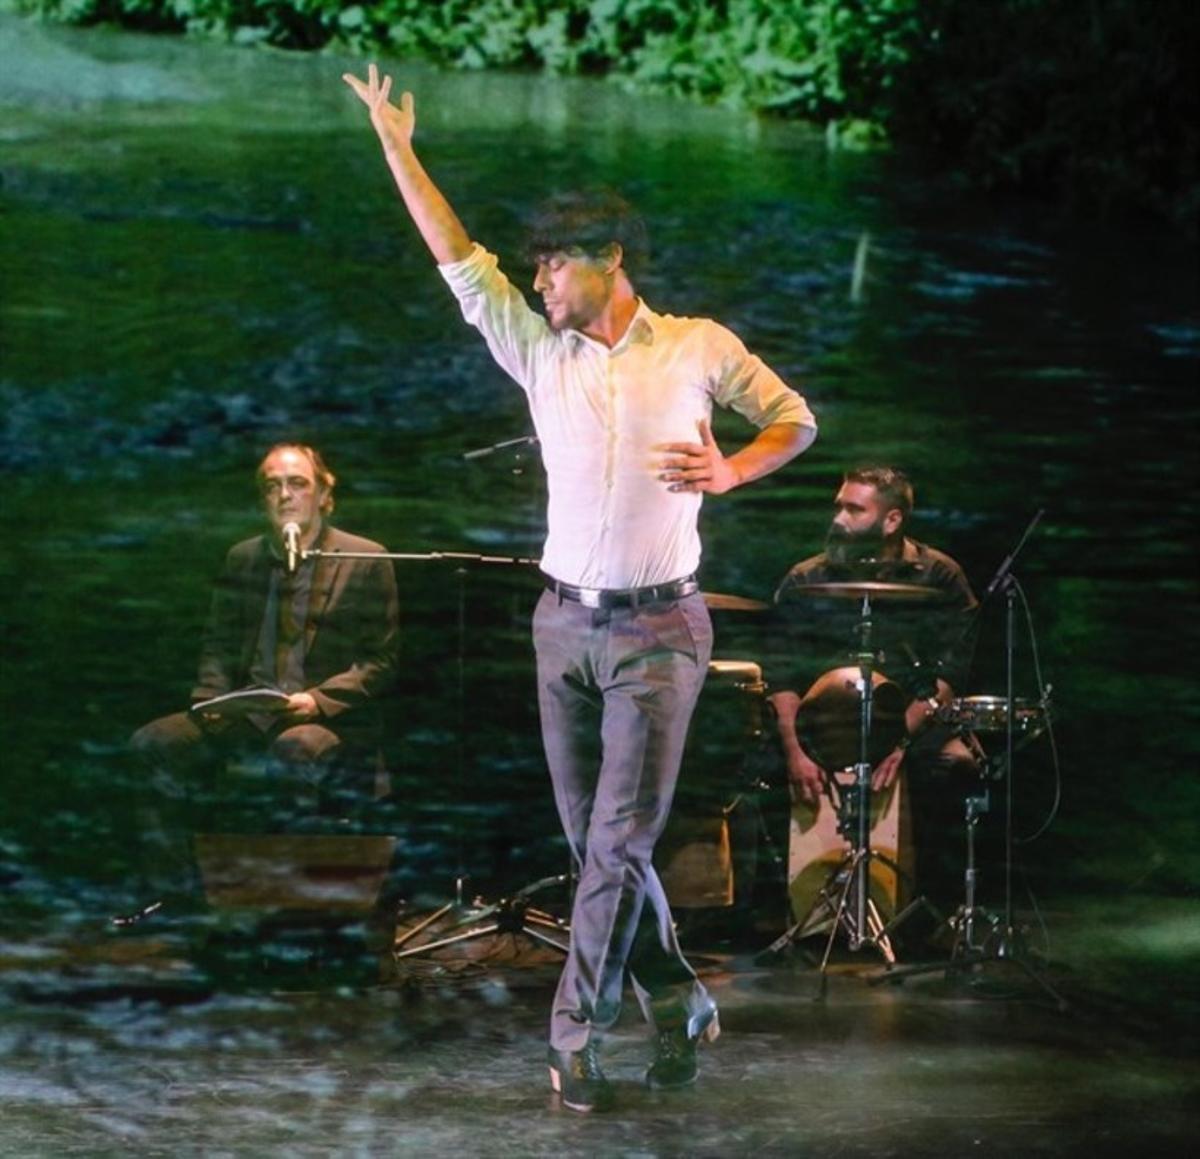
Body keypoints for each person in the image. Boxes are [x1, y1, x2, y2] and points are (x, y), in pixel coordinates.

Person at [344, 65, 816, 1113]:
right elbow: (456, 259)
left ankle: (575, 1038)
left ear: (606, 262)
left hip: (659, 628)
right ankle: (682, 999)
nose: (538, 279)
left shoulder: (695, 347)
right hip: (562, 626)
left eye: (552, 264)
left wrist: (735, 468)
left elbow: (796, 417)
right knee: (595, 846)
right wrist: (396, 145)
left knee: (616, 843)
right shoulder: (537, 353)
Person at [120, 443, 400, 923]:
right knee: (152, 744)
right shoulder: (243, 558)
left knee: (294, 752)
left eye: (297, 484)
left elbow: (381, 659)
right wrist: (210, 701)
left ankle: (286, 911)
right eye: (272, 486)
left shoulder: (364, 556)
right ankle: (179, 898)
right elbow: (218, 643)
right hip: (246, 713)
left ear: (324, 495)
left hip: (322, 719)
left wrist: (318, 700)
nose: (285, 495)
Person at [768, 466, 980, 907]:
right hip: (821, 728)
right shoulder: (806, 581)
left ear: (893, 520)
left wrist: (898, 740)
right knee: (756, 766)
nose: (839, 518)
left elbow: (948, 677)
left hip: (911, 724)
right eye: (839, 506)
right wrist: (795, 749)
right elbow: (782, 674)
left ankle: (929, 909)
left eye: (854, 508)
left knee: (954, 766)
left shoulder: (939, 578)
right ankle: (783, 907)